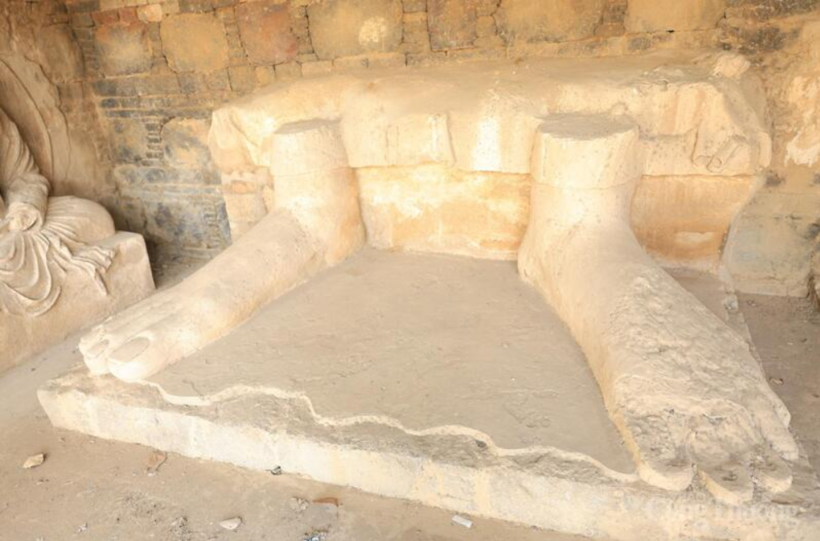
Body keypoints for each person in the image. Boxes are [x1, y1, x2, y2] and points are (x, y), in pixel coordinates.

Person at [0, 107, 114, 316]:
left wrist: (25, 207)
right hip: (7, 245)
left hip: (12, 225)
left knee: (96, 216)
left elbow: (24, 176)